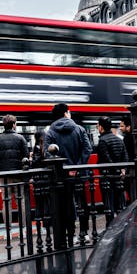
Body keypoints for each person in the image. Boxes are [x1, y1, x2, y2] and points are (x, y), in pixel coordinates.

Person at [45, 104, 93, 244]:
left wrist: (65, 168)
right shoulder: (80, 129)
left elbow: (47, 153)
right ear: (66, 113)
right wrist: (77, 167)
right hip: (79, 173)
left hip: (61, 176)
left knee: (66, 204)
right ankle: (84, 233)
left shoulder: (50, 132)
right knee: (82, 203)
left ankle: (70, 234)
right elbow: (87, 149)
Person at [0, 115, 29, 222]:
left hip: (4, 177)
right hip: (18, 175)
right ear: (13, 125)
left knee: (6, 202)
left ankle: (8, 231)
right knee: (20, 201)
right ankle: (24, 229)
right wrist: (27, 176)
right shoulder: (21, 138)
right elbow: (26, 158)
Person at [95, 116, 128, 220]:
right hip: (118, 177)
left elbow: (106, 158)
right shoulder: (119, 139)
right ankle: (120, 225)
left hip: (107, 176)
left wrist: (115, 169)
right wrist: (122, 169)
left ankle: (110, 226)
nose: (97, 127)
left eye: (97, 125)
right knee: (120, 204)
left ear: (101, 127)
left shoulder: (102, 141)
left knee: (109, 204)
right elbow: (125, 156)